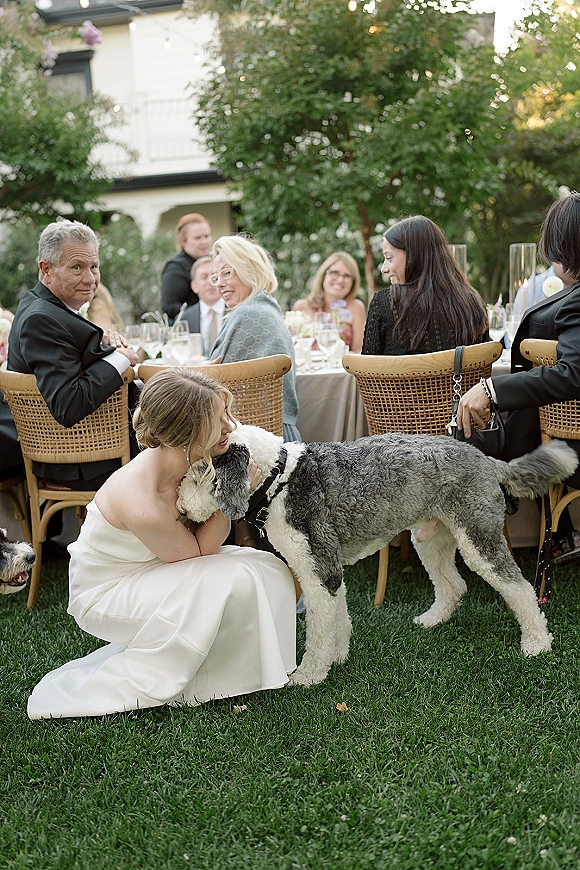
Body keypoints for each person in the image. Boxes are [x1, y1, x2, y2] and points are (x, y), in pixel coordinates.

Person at [27, 368, 296, 719]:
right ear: (187, 434)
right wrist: (235, 494)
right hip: (108, 592)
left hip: (159, 564)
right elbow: (200, 554)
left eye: (228, 413)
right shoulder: (143, 500)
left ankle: (242, 669)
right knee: (233, 578)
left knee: (266, 567)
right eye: (219, 419)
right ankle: (197, 677)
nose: (231, 426)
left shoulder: (191, 457)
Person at [458, 191, 580, 560]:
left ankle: (477, 539)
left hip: (563, 442)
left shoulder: (576, 300)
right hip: (545, 426)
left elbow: (572, 373)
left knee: (468, 440)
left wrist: (492, 389)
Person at [7, 219, 139, 489]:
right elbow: (68, 404)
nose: (90, 279)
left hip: (98, 447)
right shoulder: (41, 319)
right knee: (191, 449)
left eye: (94, 266)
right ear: (46, 269)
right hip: (86, 460)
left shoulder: (41, 305)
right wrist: (122, 358)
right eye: (77, 267)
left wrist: (105, 346)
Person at [209, 235, 300, 443]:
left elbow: (211, 384)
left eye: (227, 273)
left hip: (252, 441)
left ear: (249, 271)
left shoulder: (249, 314)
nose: (219, 284)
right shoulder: (264, 307)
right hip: (273, 434)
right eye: (216, 277)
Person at [362, 216, 488, 355]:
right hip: (458, 378)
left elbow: (366, 372)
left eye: (389, 258)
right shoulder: (472, 303)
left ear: (413, 255)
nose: (384, 268)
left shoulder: (385, 303)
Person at [293, 252, 367, 352]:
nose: (340, 280)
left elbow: (359, 351)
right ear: (324, 275)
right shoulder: (301, 307)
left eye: (347, 276)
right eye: (335, 273)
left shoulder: (356, 307)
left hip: (342, 367)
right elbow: (293, 349)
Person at [161, 213, 212, 321]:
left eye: (207, 236)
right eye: (197, 238)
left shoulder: (214, 261)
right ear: (183, 241)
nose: (204, 242)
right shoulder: (175, 268)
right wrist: (204, 311)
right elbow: (169, 307)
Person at [181, 256, 226, 356]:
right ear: (194, 286)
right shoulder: (185, 318)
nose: (210, 282)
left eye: (214, 276)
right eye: (204, 277)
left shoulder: (235, 311)